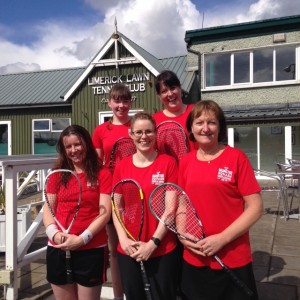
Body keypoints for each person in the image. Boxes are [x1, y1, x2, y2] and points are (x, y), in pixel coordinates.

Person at [178, 100, 263, 300]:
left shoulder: (236, 158)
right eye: (199, 122)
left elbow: (256, 207)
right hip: (194, 256)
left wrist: (222, 239)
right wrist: (182, 235)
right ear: (191, 127)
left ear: (220, 127)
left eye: (211, 122)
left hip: (232, 257)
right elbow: (182, 203)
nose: (205, 128)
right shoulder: (185, 161)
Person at [112, 112, 180, 300]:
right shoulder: (122, 166)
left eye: (149, 131)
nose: (144, 137)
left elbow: (170, 208)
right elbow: (117, 208)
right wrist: (123, 240)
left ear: (156, 133)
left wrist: (153, 243)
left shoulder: (168, 163)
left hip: (162, 248)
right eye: (139, 132)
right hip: (129, 249)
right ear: (131, 134)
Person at [43, 125, 112, 300]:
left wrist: (82, 238)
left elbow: (105, 212)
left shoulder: (102, 173)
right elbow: (48, 208)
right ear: (64, 150)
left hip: (91, 248)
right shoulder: (56, 174)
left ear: (87, 144)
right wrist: (55, 234)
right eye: (69, 147)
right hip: (58, 246)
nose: (74, 150)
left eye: (78, 144)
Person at [92, 83, 132, 300]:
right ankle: (119, 295)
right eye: (117, 100)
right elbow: (97, 165)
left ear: (130, 103)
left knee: (136, 242)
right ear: (109, 103)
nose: (121, 105)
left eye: (125, 100)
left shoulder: (137, 126)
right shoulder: (101, 131)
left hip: (137, 192)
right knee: (115, 249)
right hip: (112, 193)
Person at [153, 70, 197, 152]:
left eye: (173, 88)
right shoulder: (153, 121)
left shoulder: (196, 111)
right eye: (164, 91)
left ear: (180, 87)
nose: (170, 94)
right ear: (158, 96)